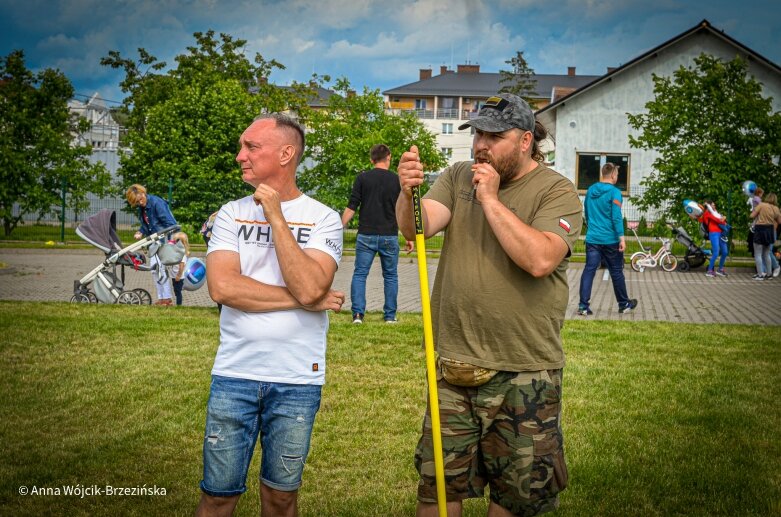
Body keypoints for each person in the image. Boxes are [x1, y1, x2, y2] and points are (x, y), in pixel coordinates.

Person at [395, 93, 582, 517]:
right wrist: (407, 194)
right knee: (440, 491)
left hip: (524, 371)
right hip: (454, 367)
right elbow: (417, 228)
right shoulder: (459, 174)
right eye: (478, 132)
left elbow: (540, 259)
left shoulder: (557, 190)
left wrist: (492, 201)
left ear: (525, 140)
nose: (481, 143)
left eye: (494, 135)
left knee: (515, 499)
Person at [196, 113, 345, 517]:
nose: (240, 155)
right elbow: (223, 288)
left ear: (286, 153)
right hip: (234, 375)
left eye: (251, 147)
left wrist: (276, 215)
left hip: (297, 379)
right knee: (218, 496)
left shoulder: (324, 218)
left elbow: (314, 284)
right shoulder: (230, 213)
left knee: (280, 499)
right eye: (242, 146)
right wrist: (305, 299)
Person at [341, 144, 413, 324]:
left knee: (360, 274)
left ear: (371, 160)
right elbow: (403, 210)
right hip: (389, 235)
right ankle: (390, 316)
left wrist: (338, 228)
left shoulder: (362, 178)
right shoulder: (397, 180)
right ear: (388, 157)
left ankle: (358, 315)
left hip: (366, 235)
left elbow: (352, 206)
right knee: (390, 276)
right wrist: (409, 236)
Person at [577, 163, 638, 316]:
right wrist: (621, 238)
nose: (617, 177)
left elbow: (587, 213)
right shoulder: (615, 192)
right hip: (610, 240)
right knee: (616, 272)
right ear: (612, 175)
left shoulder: (590, 191)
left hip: (592, 239)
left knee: (589, 270)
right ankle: (624, 304)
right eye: (617, 174)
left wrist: (592, 228)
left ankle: (583, 306)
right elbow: (616, 216)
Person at [125, 184, 177, 305]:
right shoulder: (142, 207)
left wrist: (170, 241)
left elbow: (170, 223)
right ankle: (162, 298)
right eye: (137, 203)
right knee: (155, 269)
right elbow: (146, 225)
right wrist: (140, 231)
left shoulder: (157, 203)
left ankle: (167, 299)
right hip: (154, 241)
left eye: (140, 200)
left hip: (162, 240)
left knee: (158, 268)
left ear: (143, 193)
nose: (140, 203)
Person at [750, 192, 781, 280]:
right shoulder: (776, 208)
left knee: (758, 253)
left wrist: (754, 210)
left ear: (767, 198)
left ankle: (760, 275)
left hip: (760, 229)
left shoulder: (761, 205)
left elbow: (752, 216)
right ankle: (769, 274)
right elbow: (779, 221)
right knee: (766, 253)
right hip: (770, 230)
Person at [698, 199, 729, 278]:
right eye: (713, 205)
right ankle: (709, 271)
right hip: (714, 233)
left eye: (714, 205)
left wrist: (723, 219)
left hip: (721, 233)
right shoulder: (707, 214)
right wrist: (723, 219)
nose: (714, 206)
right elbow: (718, 220)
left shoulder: (715, 212)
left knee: (725, 252)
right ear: (709, 206)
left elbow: (721, 220)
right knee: (716, 252)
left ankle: (720, 270)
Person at [171, 231, 190, 306]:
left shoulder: (182, 255)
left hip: (178, 277)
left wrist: (178, 276)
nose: (175, 243)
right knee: (176, 291)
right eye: (175, 241)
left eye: (177, 241)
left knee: (178, 292)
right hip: (174, 275)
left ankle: (179, 305)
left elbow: (181, 266)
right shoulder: (177, 253)